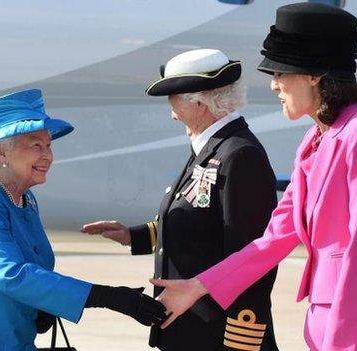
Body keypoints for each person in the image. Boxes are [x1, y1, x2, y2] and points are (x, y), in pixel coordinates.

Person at [150, 3, 357, 351]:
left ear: (313, 75)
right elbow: (276, 236)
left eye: (279, 74)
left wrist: (340, 345)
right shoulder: (314, 141)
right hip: (327, 320)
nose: (274, 86)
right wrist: (200, 286)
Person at [0, 89, 166, 351]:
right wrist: (104, 296)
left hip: (8, 337)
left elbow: (33, 269)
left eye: (48, 145)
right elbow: (11, 273)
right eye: (35, 145)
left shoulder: (23, 198)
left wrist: (43, 304)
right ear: (1, 153)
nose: (47, 155)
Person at [81, 49, 279, 350]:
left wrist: (241, 341)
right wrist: (133, 236)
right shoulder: (210, 148)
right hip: (188, 333)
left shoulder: (239, 155)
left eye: (172, 97)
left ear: (198, 103)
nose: (171, 111)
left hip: (218, 338)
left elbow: (252, 258)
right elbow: (199, 225)